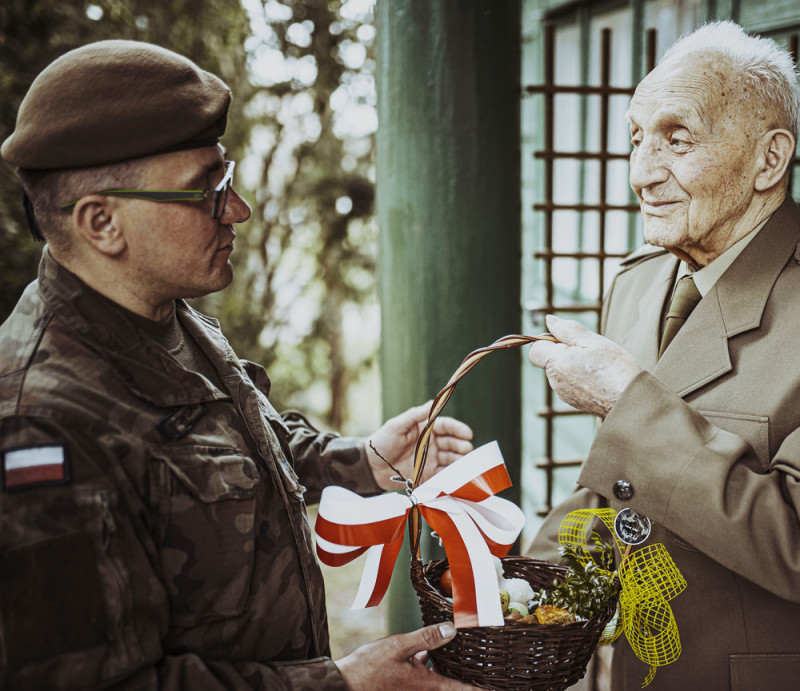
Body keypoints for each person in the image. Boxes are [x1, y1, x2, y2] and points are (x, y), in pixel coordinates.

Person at [0, 40, 473, 690]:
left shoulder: (164, 312)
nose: (239, 210)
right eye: (206, 191)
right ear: (102, 222)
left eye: (228, 178)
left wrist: (364, 460)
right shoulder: (42, 421)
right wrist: (339, 683)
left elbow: (244, 448)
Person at [527, 20, 800, 691]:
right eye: (636, 139)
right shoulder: (635, 284)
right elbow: (615, 492)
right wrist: (515, 602)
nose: (641, 174)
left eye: (676, 139)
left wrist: (628, 401)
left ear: (768, 161)